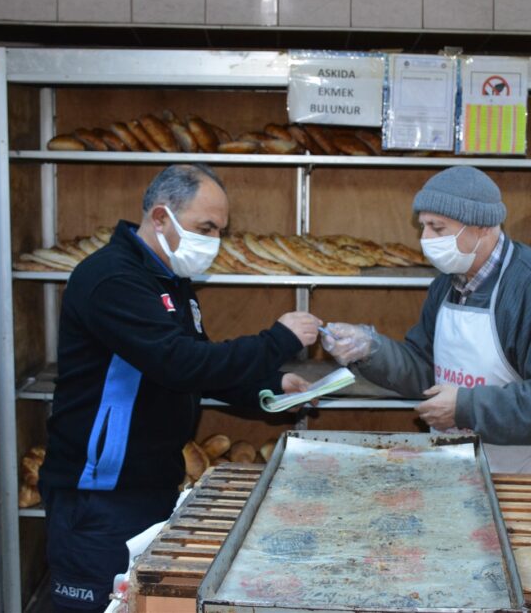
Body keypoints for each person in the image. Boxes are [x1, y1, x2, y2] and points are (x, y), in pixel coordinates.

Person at [39, 164, 322, 612]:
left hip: (152, 484)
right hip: (99, 497)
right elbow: (177, 363)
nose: (213, 241)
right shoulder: (112, 280)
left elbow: (199, 365)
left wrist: (268, 390)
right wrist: (278, 340)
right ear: (159, 218)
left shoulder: (169, 281)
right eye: (205, 228)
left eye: (220, 231)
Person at [321, 166, 531, 474]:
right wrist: (370, 349)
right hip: (454, 468)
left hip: (523, 477)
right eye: (423, 227)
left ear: (483, 227)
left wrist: (465, 408)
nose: (426, 239)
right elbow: (426, 368)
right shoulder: (447, 283)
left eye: (438, 228)